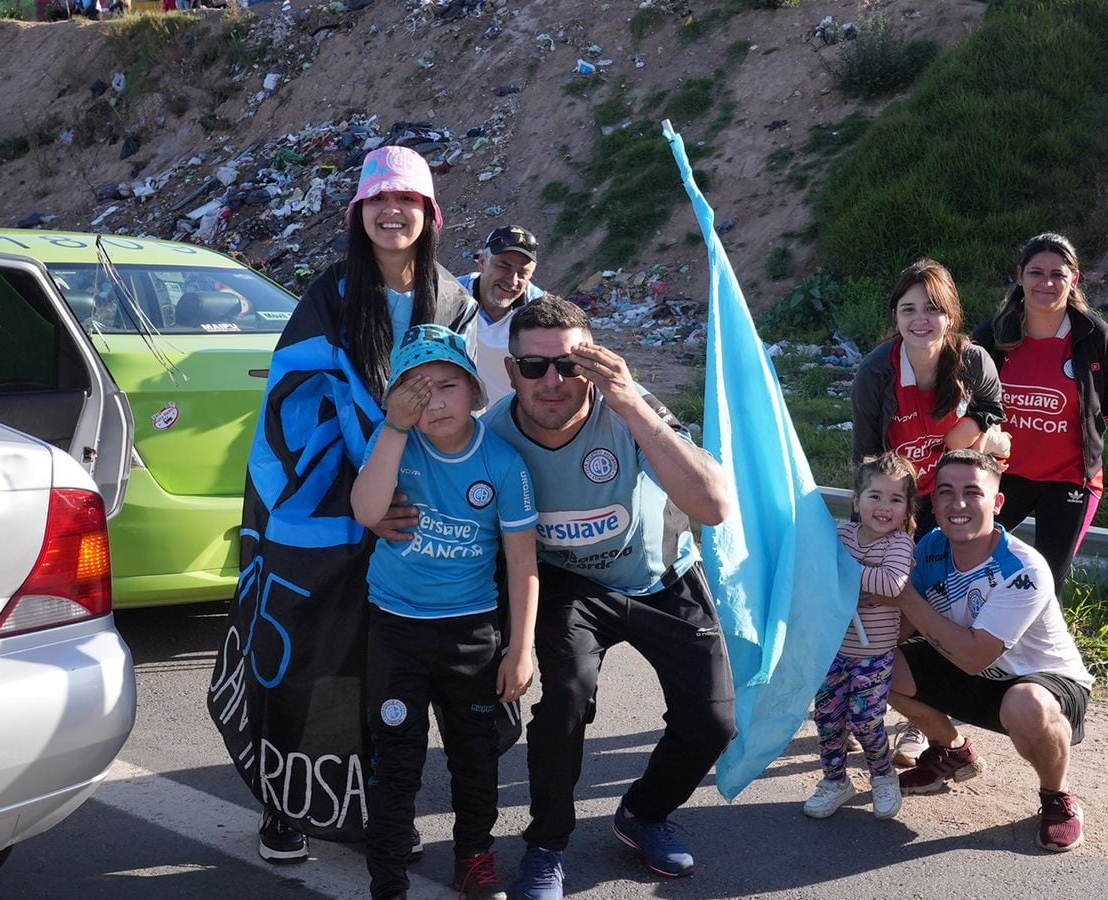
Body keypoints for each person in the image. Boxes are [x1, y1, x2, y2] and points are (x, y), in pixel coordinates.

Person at [381, 296, 735, 899]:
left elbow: (714, 505)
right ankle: (546, 846)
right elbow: (431, 492)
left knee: (713, 721)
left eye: (569, 366)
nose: (552, 382)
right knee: (567, 699)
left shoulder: (631, 407)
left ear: (593, 365)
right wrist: (390, 514)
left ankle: (643, 813)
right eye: (534, 366)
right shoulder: (488, 435)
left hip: (660, 576)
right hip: (567, 584)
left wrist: (629, 405)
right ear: (510, 370)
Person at [209, 143, 478, 867]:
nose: (394, 212)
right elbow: (290, 422)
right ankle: (284, 806)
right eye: (379, 201)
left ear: (430, 213)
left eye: (409, 201)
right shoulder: (326, 301)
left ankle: (370, 810)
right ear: (360, 213)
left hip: (414, 519)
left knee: (387, 676)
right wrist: (358, 504)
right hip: (318, 520)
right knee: (305, 661)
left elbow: (466, 407)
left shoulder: (454, 300)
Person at [350, 325, 538, 900]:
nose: (433, 400)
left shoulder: (503, 463)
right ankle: (387, 880)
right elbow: (365, 510)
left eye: (447, 385)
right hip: (395, 630)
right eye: (416, 388)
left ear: (475, 392)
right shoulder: (394, 443)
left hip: (470, 633)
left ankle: (474, 859)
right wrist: (392, 425)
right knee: (396, 763)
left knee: (475, 760)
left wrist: (520, 647)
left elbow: (521, 561)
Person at [877, 449, 1095, 853]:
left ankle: (1056, 796)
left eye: (972, 493)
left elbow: (977, 654)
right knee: (878, 669)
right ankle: (953, 754)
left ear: (997, 503)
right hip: (970, 665)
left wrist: (904, 597)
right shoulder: (931, 547)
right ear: (933, 501)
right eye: (946, 492)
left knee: (1024, 705)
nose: (958, 504)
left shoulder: (1022, 568)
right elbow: (905, 629)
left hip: (1039, 681)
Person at [849, 258, 1008, 767]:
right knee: (882, 607)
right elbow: (867, 460)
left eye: (933, 309)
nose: (921, 319)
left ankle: (918, 721)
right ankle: (854, 701)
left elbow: (994, 412)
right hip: (900, 505)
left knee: (941, 610)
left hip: (955, 504)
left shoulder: (974, 360)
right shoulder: (875, 372)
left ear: (951, 314)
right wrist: (882, 522)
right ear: (895, 315)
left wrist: (974, 426)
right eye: (908, 308)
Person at [973, 233, 1108, 595]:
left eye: (1057, 274)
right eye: (1036, 272)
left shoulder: (1096, 337)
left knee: (1044, 586)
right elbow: (968, 397)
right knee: (970, 564)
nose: (1046, 283)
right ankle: (968, 648)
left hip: (1069, 479)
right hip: (1002, 474)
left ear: (1074, 279)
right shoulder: (994, 335)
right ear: (1019, 276)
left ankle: (1042, 651)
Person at [803, 453, 919, 821]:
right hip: (833, 650)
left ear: (907, 508)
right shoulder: (839, 536)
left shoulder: (900, 545)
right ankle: (835, 780)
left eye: (895, 499)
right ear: (856, 501)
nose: (884, 507)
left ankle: (883, 773)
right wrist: (842, 575)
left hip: (875, 655)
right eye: (875, 496)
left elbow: (892, 582)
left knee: (866, 719)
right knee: (828, 719)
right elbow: (814, 573)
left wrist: (845, 572)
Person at [456, 225, 545, 402]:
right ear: (482, 262)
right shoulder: (452, 297)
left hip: (514, 418)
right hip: (460, 418)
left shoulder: (540, 310)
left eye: (522, 273)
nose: (512, 280)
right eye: (504, 267)